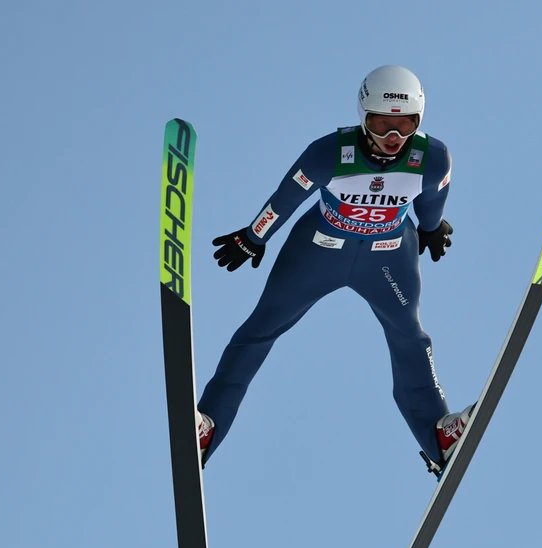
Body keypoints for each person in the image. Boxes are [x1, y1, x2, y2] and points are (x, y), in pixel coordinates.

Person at [194, 65, 470, 478]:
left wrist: (431, 228)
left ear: (419, 121)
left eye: (404, 125)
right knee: (260, 328)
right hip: (319, 252)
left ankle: (439, 436)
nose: (392, 137)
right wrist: (254, 236)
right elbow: (286, 196)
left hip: (388, 258)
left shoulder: (433, 158)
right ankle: (206, 426)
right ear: (363, 115)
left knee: (409, 336)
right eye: (381, 123)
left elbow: (433, 200)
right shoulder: (328, 153)